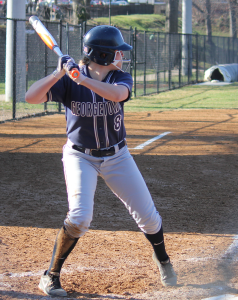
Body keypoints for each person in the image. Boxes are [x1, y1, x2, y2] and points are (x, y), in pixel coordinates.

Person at [25, 25, 177, 297]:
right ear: (104, 55)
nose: (121, 56)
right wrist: (58, 73)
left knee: (149, 218)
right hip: (80, 156)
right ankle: (50, 276)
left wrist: (81, 80)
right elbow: (31, 97)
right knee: (80, 217)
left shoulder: (121, 77)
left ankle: (163, 260)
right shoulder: (68, 79)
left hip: (117, 156)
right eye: (117, 52)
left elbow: (118, 95)